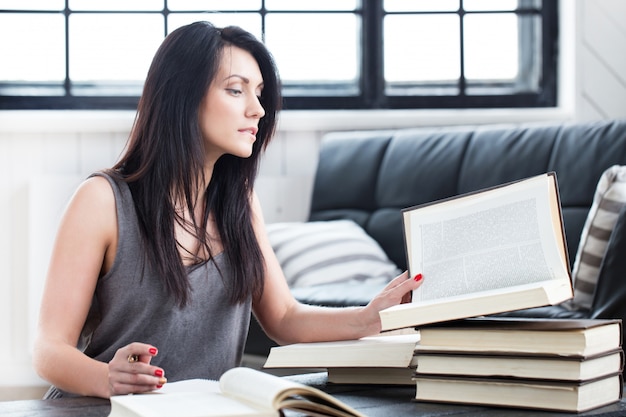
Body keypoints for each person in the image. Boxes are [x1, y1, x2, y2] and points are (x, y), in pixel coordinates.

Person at [32, 21, 423, 399]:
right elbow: (49, 350)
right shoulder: (101, 200)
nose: (258, 109)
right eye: (236, 90)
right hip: (100, 409)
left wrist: (370, 316)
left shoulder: (241, 203)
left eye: (259, 93)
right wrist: (107, 377)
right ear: (182, 96)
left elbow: (284, 318)